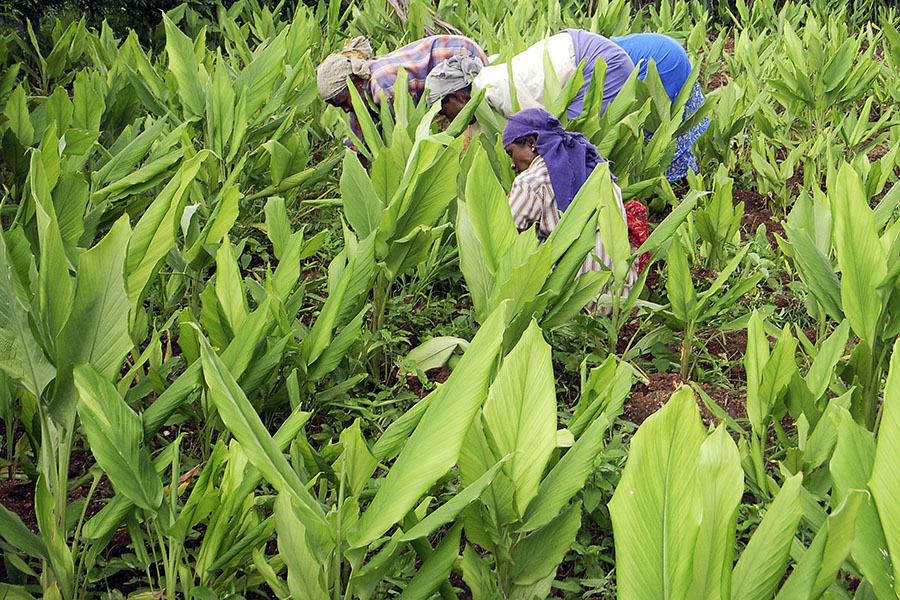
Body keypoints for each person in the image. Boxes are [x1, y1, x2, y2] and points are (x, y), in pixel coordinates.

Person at [501, 108, 642, 298]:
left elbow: (503, 235)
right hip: (621, 293)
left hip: (573, 300)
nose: (512, 164)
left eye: (511, 153)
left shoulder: (532, 180)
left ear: (531, 143)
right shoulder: (592, 163)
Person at [425, 29, 634, 122]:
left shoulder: (493, 87)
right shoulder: (480, 96)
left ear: (459, 97)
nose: (448, 120)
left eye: (444, 111)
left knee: (573, 143)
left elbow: (539, 127)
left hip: (596, 61)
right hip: (577, 47)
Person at [316, 35, 488, 144]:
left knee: (473, 128)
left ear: (355, 83)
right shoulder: (360, 91)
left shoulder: (382, 85)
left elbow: (406, 132)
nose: (346, 109)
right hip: (443, 65)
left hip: (459, 56)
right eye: (339, 107)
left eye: (344, 102)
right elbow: (360, 143)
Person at [610, 33, 710, 181]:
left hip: (662, 63)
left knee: (654, 127)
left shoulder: (597, 64)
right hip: (670, 51)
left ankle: (659, 179)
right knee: (670, 122)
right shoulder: (594, 46)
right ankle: (686, 178)